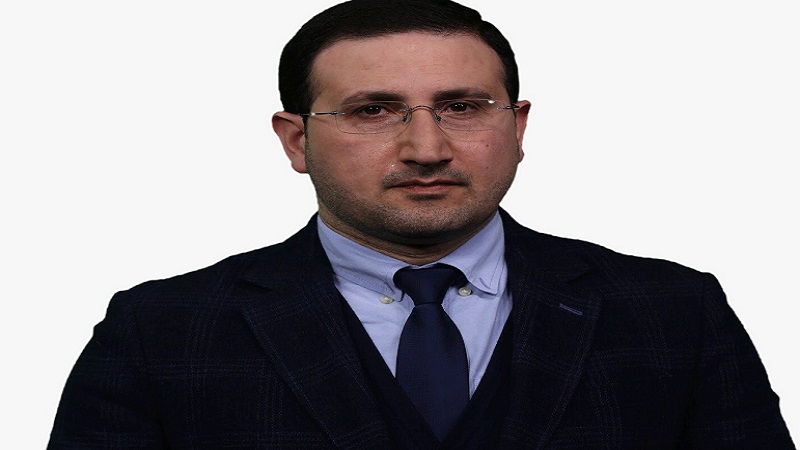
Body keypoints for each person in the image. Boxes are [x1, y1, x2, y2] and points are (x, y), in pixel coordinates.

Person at [48, 0, 794, 448]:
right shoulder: (160, 331)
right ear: (296, 140)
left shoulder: (673, 312)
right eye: (373, 111)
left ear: (517, 127)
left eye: (462, 107)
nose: (427, 148)